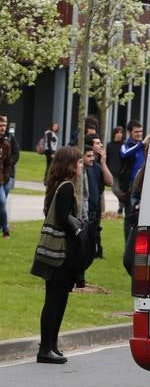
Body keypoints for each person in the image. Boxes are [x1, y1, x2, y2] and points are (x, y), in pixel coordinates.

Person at [31, 146, 86, 364]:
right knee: (55, 300)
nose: (81, 166)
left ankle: (51, 345)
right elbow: (63, 218)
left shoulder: (57, 184)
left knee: (56, 299)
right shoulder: (66, 187)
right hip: (59, 254)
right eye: (79, 162)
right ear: (70, 164)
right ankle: (46, 348)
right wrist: (80, 228)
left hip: (54, 253)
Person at [119, 121, 146, 240]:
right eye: (136, 132)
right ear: (129, 132)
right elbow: (124, 154)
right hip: (131, 187)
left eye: (141, 131)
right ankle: (128, 246)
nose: (139, 134)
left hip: (144, 186)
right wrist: (141, 144)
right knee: (130, 217)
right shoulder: (126, 145)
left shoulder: (144, 145)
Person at [0, 112, 17, 237]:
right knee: (1, 201)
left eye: (4, 125)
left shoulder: (7, 142)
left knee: (2, 202)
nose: (2, 127)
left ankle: (4, 228)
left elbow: (8, 161)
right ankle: (5, 228)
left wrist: (6, 176)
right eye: (1, 125)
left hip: (4, 178)